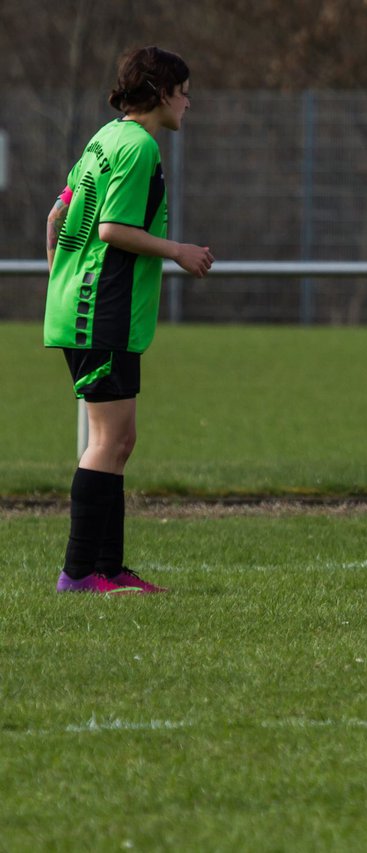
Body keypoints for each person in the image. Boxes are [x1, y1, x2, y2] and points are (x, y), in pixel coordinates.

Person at [44, 46, 214, 594]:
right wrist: (179, 250)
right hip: (102, 310)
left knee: (118, 439)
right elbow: (113, 229)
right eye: (184, 91)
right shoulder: (139, 147)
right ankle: (78, 574)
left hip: (86, 305)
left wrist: (62, 281)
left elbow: (57, 214)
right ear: (161, 91)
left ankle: (108, 569)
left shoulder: (104, 137)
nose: (189, 102)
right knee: (108, 440)